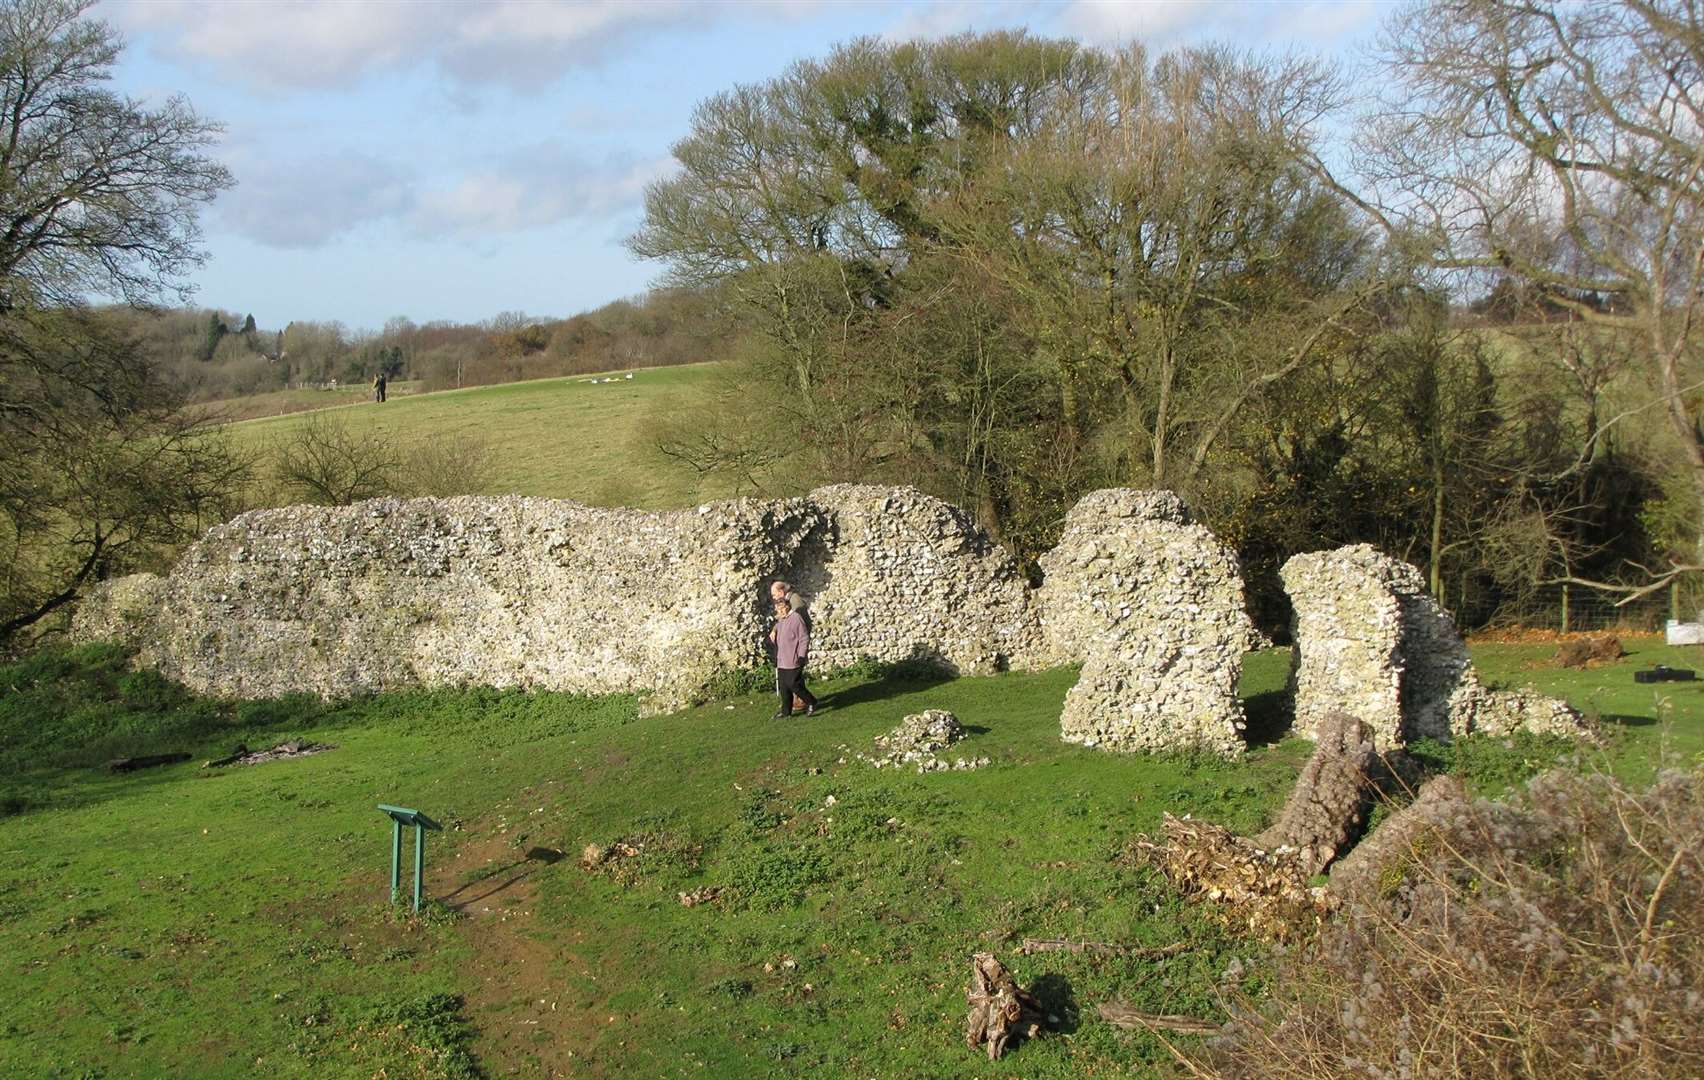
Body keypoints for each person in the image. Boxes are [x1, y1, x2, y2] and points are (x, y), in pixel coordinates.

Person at [770, 596, 816, 719]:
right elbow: (778, 639)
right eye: (777, 610)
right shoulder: (780, 621)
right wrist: (776, 656)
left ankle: (811, 701)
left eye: (780, 609)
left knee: (794, 684)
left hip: (793, 658)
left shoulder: (796, 619)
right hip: (782, 659)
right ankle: (786, 711)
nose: (778, 612)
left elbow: (804, 638)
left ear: (786, 607)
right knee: (784, 687)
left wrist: (801, 655)